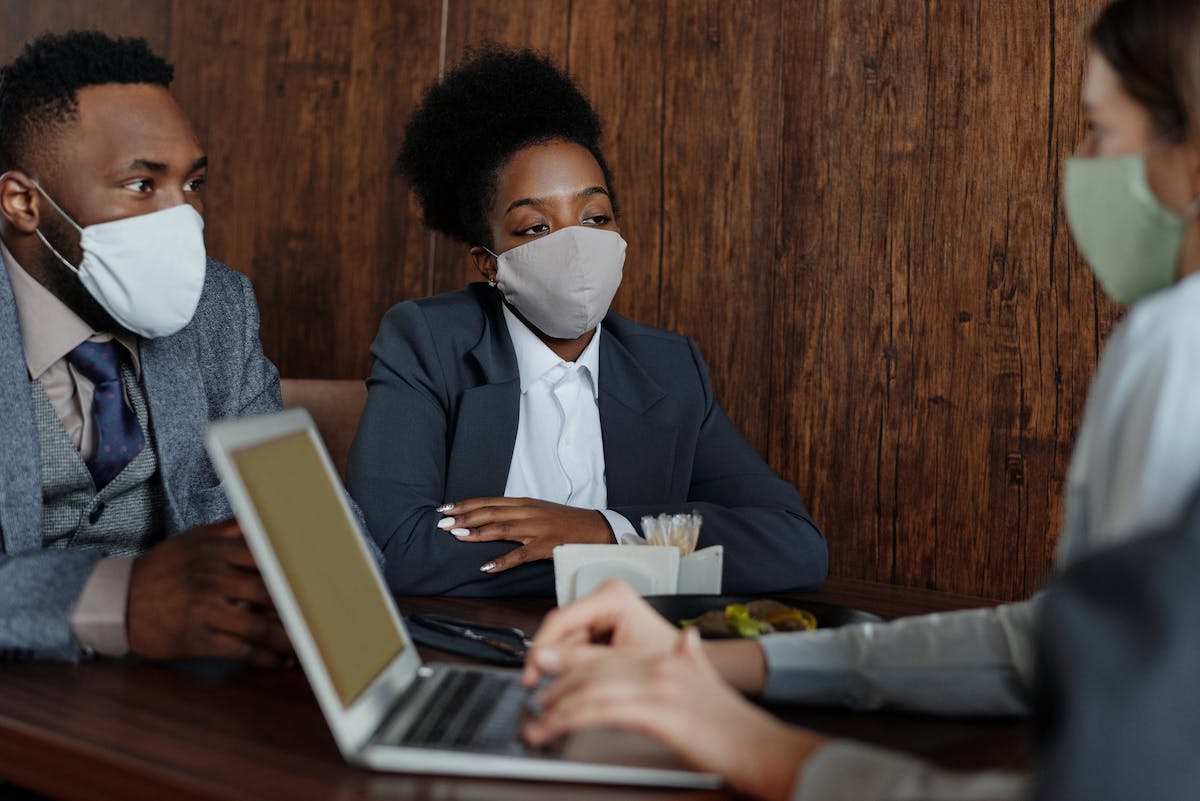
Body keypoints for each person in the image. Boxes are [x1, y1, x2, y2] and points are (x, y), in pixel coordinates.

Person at [519, 0, 1200, 796]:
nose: (1078, 162)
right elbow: (1053, 646)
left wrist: (759, 749)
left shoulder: (1173, 341)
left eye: (1099, 132)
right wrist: (707, 664)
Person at [347, 47, 827, 596]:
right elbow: (390, 548)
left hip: (631, 657)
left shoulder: (669, 368)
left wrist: (602, 530)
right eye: (534, 227)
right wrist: (614, 558)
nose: (576, 244)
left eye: (595, 217)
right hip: (479, 649)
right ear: (489, 263)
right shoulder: (428, 342)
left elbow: (793, 544)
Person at [0, 31, 289, 665]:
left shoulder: (220, 308)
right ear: (23, 202)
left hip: (175, 699)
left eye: (192, 183)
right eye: (142, 185)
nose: (183, 216)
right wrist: (116, 598)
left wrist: (302, 581)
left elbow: (319, 530)